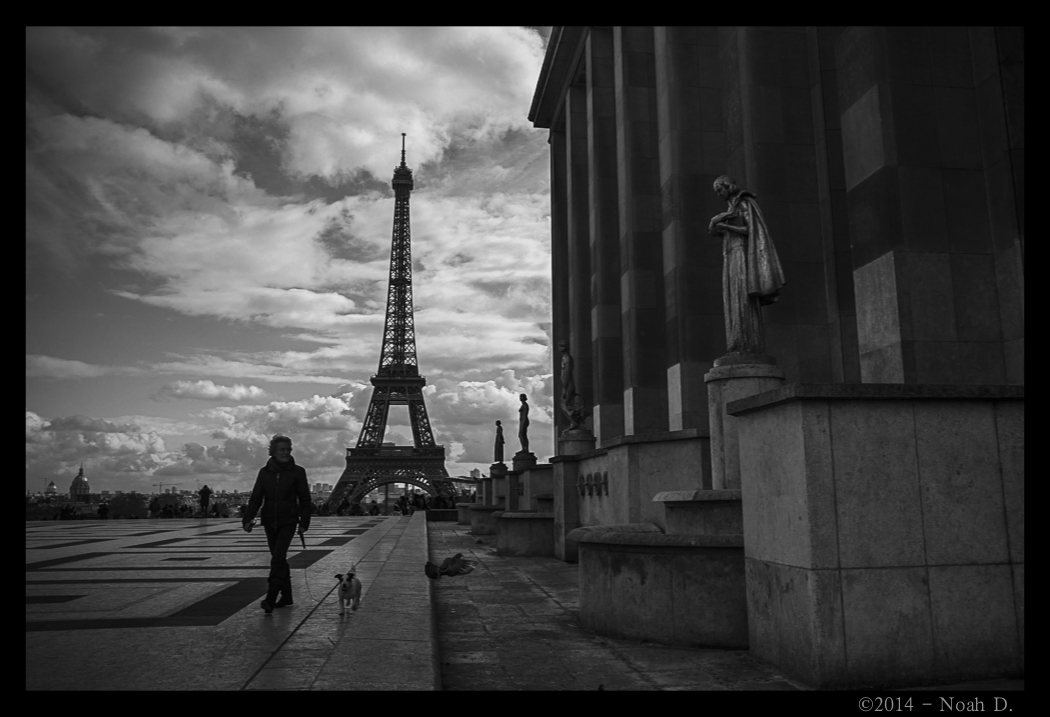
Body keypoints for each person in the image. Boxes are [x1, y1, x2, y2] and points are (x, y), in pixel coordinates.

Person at [708, 175, 785, 356]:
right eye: (717, 191)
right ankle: (736, 344)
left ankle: (747, 345)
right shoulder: (730, 208)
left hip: (741, 255)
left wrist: (727, 227)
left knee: (742, 299)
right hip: (730, 256)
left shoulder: (743, 202)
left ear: (729, 186)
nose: (719, 194)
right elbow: (713, 230)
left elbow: (750, 229)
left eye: (720, 189)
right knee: (733, 300)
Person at [242, 434, 311, 613]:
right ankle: (287, 596)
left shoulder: (298, 472)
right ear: (273, 451)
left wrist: (304, 522)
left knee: (277, 558)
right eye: (282, 449)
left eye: (288, 449)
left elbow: (304, 498)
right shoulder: (264, 473)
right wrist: (248, 519)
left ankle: (270, 598)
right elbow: (256, 497)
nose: (286, 452)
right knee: (280, 560)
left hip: (288, 520)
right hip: (269, 521)